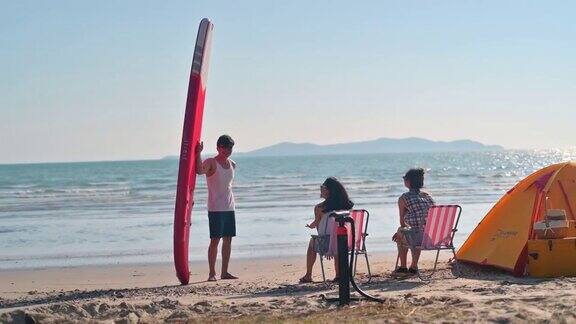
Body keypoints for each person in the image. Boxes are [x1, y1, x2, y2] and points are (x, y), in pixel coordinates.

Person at [195, 135, 238, 282]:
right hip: (215, 208)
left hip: (229, 207)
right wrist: (198, 153)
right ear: (218, 147)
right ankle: (212, 273)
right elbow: (199, 171)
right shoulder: (211, 162)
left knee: (228, 240)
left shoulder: (232, 164)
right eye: (224, 147)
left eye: (230, 147)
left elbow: (228, 186)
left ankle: (224, 272)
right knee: (215, 240)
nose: (227, 150)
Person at [299, 177, 354, 283]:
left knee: (312, 242)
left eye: (322, 187)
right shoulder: (347, 205)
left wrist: (311, 225)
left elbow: (319, 227)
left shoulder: (320, 208)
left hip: (327, 244)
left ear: (329, 191)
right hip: (347, 242)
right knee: (336, 241)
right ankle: (338, 274)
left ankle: (308, 275)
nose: (320, 190)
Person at [392, 168, 435, 276]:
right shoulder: (428, 197)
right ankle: (413, 267)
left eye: (404, 179)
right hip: (432, 237)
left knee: (402, 231)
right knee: (416, 231)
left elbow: (402, 222)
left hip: (418, 238)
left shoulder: (404, 198)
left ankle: (403, 267)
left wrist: (400, 232)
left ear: (408, 182)